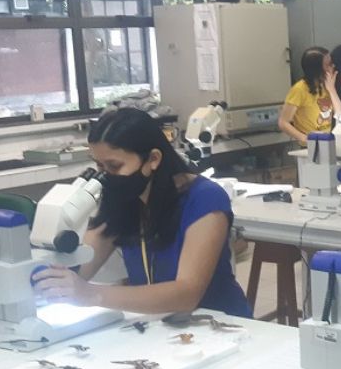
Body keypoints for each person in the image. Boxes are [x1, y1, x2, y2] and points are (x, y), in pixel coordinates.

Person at [32, 108, 250, 318]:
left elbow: (187, 294)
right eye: (99, 167)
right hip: (159, 324)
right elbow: (82, 265)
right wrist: (44, 280)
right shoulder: (124, 198)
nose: (106, 176)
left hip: (217, 324)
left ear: (153, 159)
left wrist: (91, 294)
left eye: (114, 166)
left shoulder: (205, 199)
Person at [278, 47, 341, 145]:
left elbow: (340, 114)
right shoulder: (299, 89)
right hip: (309, 146)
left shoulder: (326, 85)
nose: (332, 66)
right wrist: (305, 139)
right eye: (328, 64)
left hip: (326, 142)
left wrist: (332, 90)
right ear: (317, 69)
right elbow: (283, 122)